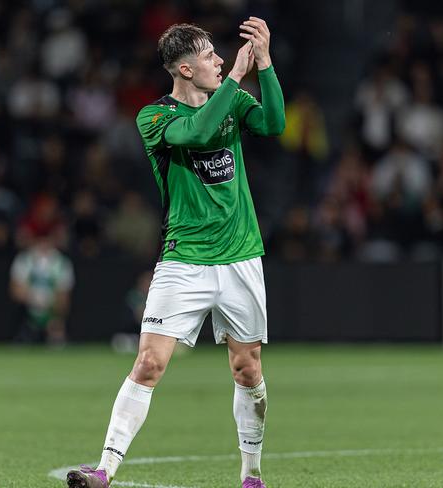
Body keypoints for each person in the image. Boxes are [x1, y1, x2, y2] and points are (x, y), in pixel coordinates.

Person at [67, 18, 284, 488]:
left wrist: (264, 63)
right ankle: (104, 469)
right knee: (148, 362)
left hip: (241, 256)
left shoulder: (233, 100)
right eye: (210, 56)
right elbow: (199, 133)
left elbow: (274, 123)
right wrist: (234, 81)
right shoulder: (155, 117)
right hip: (184, 258)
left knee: (247, 368)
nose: (221, 60)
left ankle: (252, 475)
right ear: (185, 68)